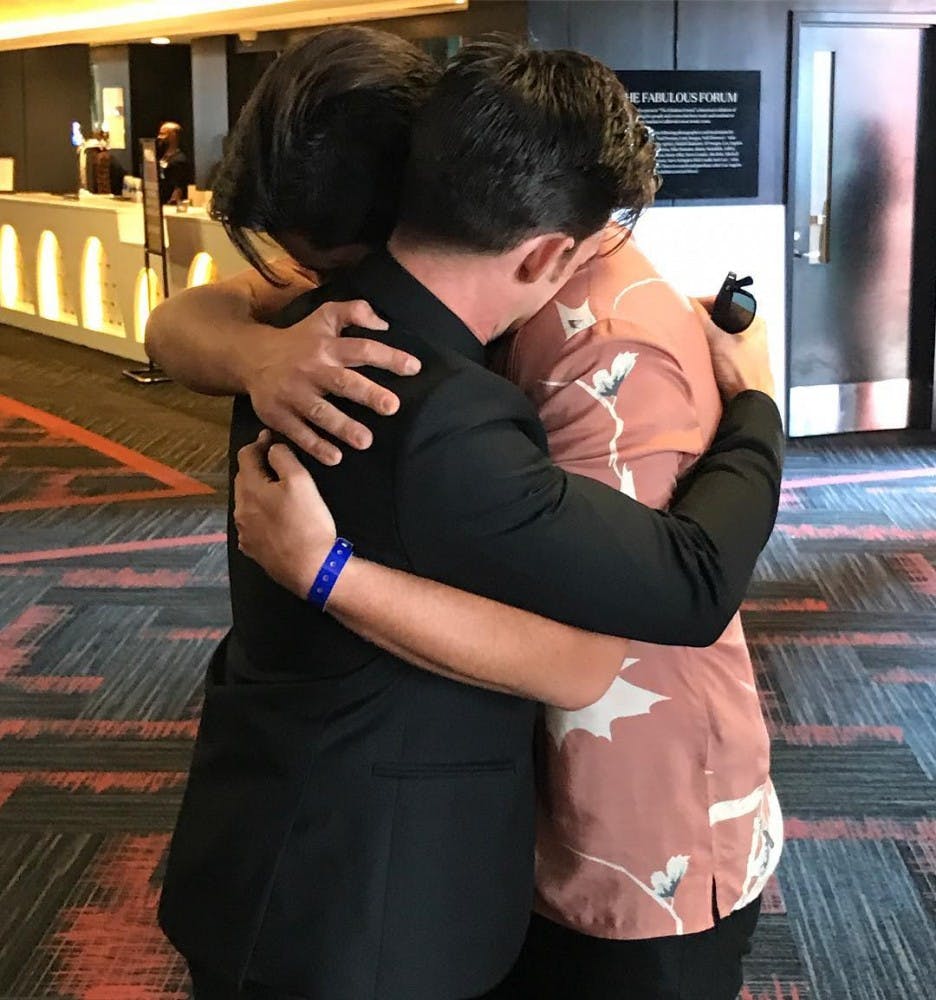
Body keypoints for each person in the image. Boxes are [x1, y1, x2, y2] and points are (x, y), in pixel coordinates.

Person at [149, 29, 783, 1000]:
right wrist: (760, 402)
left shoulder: (317, 331)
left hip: (298, 834)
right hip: (361, 892)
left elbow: (184, 319)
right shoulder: (414, 387)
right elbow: (655, 605)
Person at [157, 121, 193, 204]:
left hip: (170, 204)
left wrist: (173, 201)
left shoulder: (180, 159)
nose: (159, 137)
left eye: (163, 134)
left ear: (173, 136)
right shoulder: (162, 156)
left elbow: (179, 185)